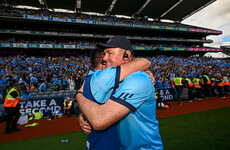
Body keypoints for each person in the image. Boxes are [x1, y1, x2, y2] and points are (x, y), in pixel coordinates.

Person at [76, 36, 163, 150]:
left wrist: (78, 96)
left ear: (126, 55)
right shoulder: (113, 79)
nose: (105, 58)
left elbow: (99, 120)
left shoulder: (139, 79)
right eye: (104, 53)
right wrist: (82, 114)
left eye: (109, 53)